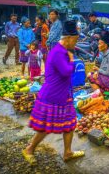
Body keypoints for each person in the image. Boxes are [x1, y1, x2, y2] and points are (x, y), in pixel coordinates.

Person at [22, 20, 84, 164]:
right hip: (52, 95)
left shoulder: (63, 50)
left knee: (70, 123)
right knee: (45, 127)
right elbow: (66, 71)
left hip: (64, 95)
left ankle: (68, 152)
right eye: (75, 40)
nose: (75, 43)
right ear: (68, 38)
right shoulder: (59, 52)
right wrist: (72, 61)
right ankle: (29, 149)